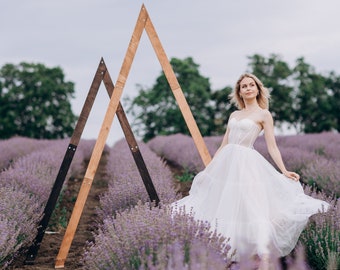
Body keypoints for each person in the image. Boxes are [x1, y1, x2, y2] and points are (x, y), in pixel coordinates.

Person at [171, 73, 330, 268]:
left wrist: (284, 170)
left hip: (247, 164)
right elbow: (223, 144)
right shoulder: (234, 115)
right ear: (239, 92)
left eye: (251, 85)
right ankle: (228, 250)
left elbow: (272, 146)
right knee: (226, 205)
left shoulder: (264, 114)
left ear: (257, 89)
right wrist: (209, 170)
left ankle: (261, 255)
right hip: (227, 163)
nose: (247, 88)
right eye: (243, 86)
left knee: (251, 207)